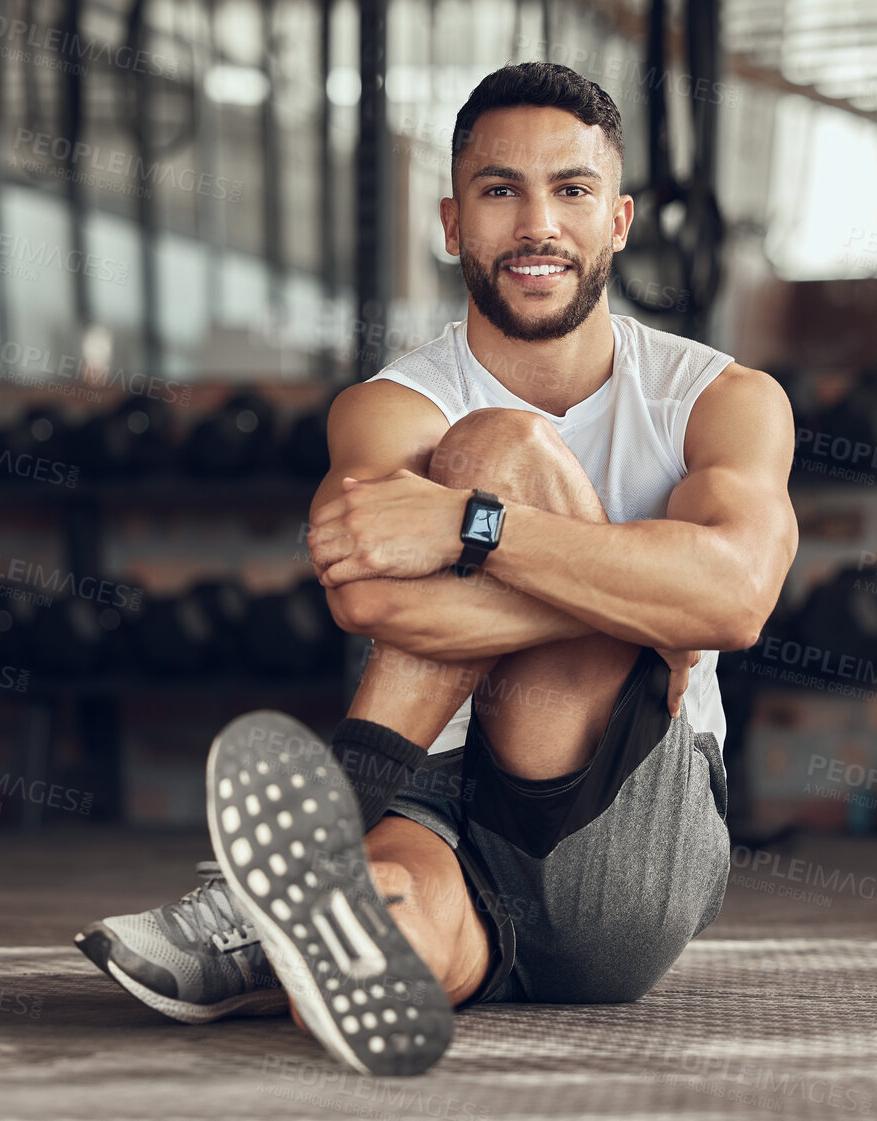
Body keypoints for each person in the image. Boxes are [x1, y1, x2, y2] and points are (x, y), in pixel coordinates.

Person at [76, 60, 797, 1077]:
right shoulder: (389, 404)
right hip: (429, 796)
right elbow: (368, 591)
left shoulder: (717, 398)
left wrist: (476, 527)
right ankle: (297, 932)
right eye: (500, 191)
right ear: (452, 221)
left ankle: (294, 852)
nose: (537, 223)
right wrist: (643, 612)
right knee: (370, 927)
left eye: (572, 190)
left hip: (619, 822)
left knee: (496, 448)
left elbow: (734, 597)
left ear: (622, 219)